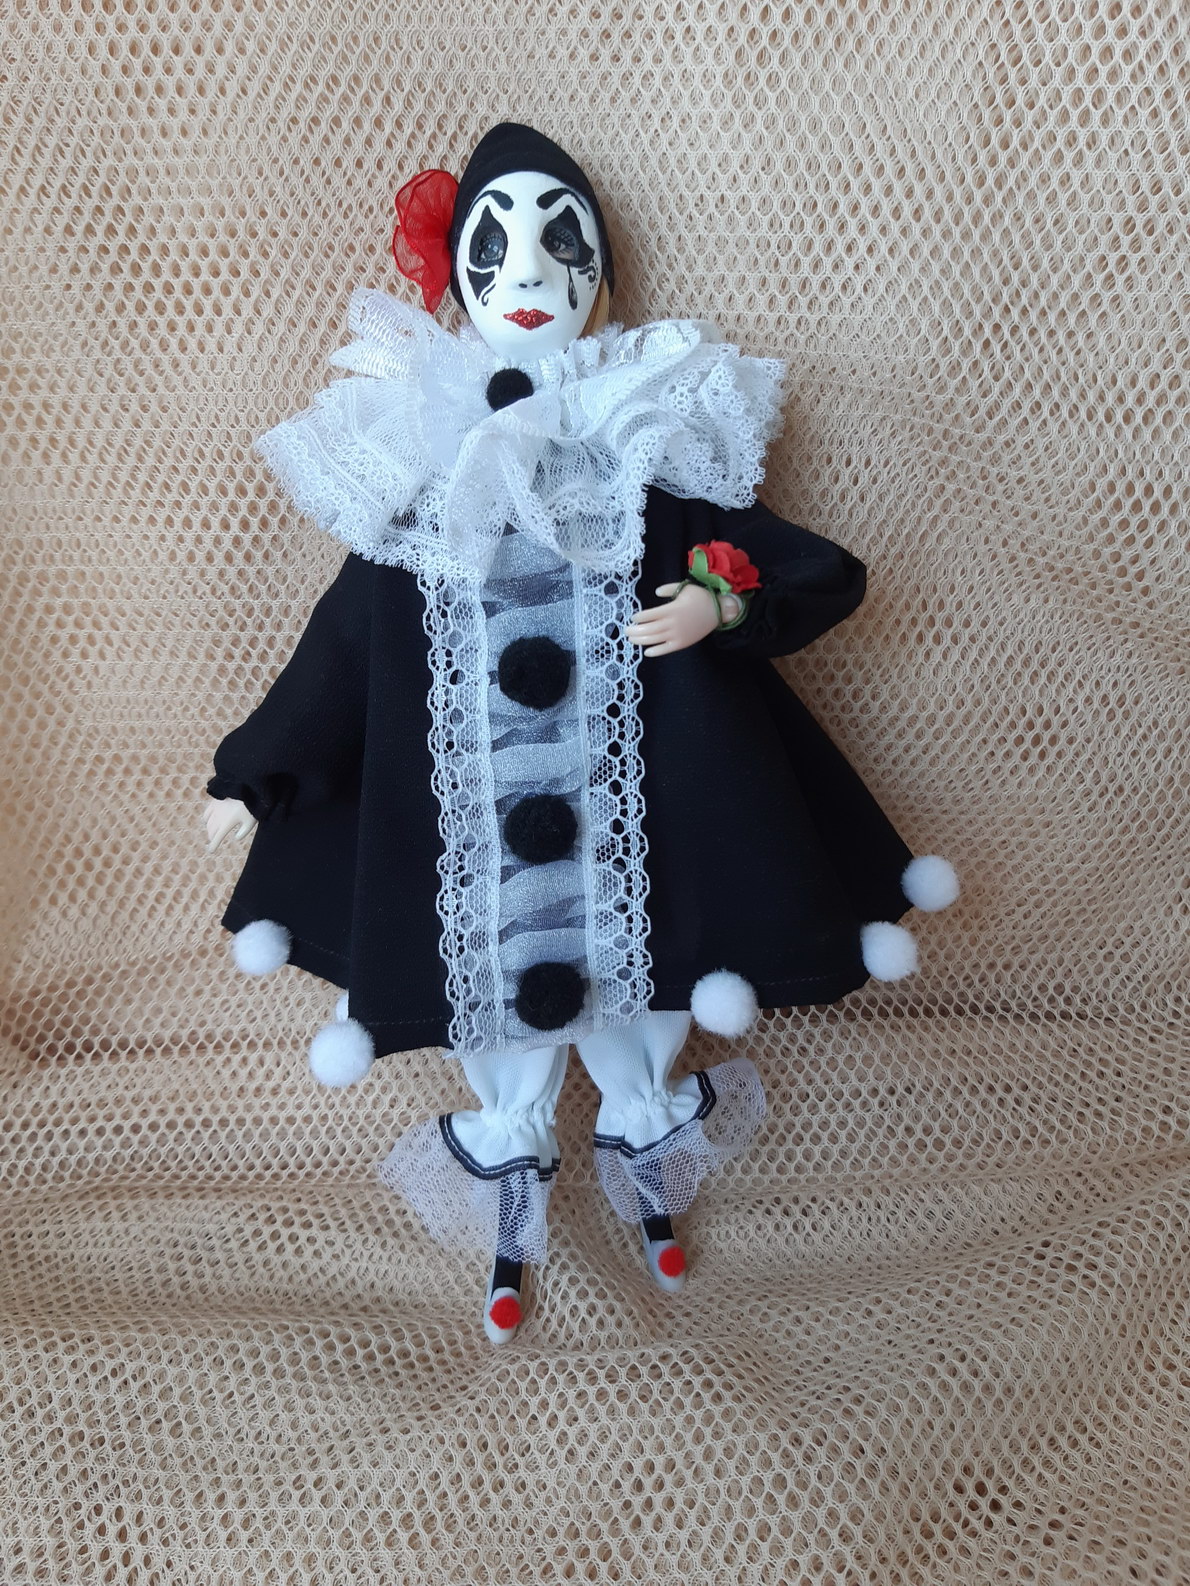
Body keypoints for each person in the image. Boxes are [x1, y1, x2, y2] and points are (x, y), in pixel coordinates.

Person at [205, 123, 958, 1343]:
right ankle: (510, 1204)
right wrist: (256, 769)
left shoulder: (637, 443)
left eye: (562, 246)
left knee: (636, 972)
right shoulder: (420, 472)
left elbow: (805, 568)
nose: (528, 273)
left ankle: (648, 1168)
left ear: (598, 282)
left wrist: (717, 602)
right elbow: (347, 639)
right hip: (477, 834)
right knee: (496, 993)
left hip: (636, 813)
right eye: (493, 248)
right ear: (453, 282)